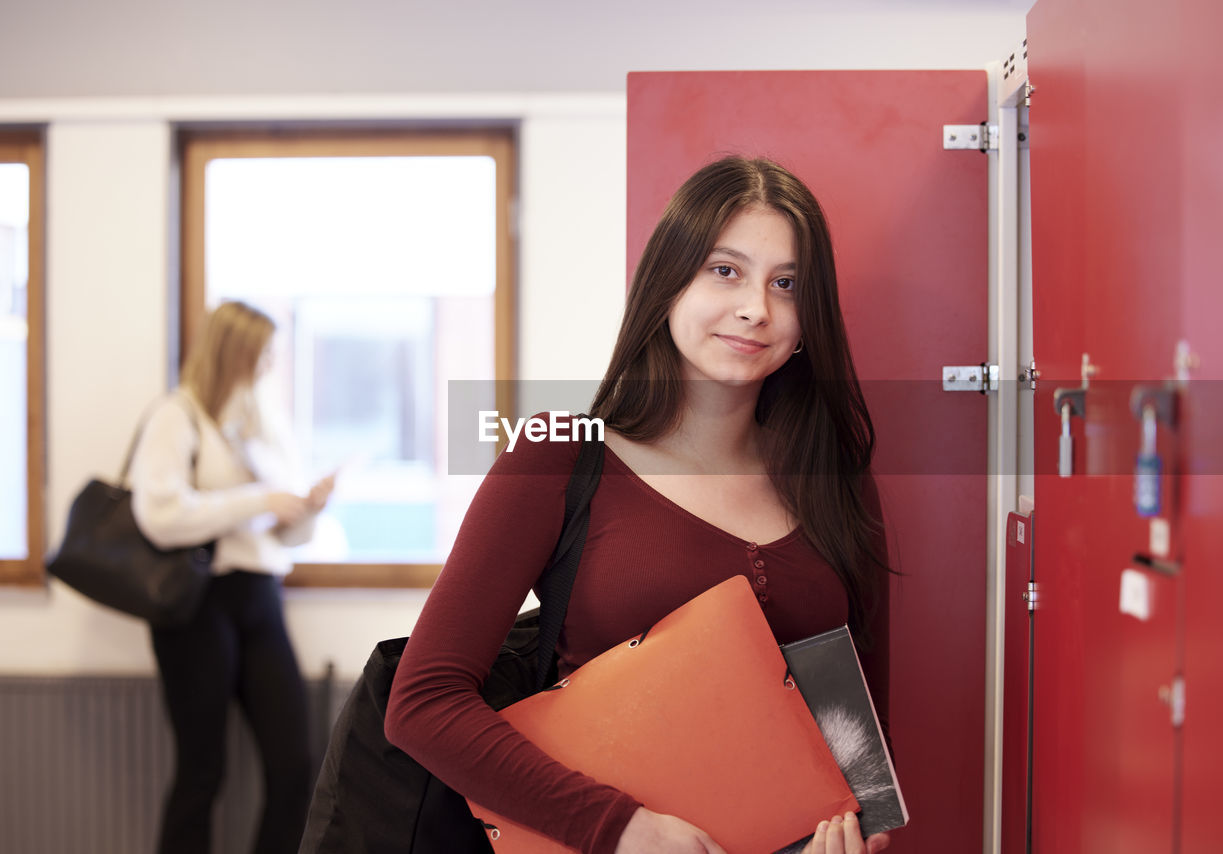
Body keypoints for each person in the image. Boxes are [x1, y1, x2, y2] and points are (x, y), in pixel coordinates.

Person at [385, 157, 893, 854]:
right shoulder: (558, 456)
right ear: (667, 281)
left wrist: (865, 829)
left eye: (787, 283)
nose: (757, 307)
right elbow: (423, 704)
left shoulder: (834, 478)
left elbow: (867, 725)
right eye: (725, 270)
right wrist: (620, 829)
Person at [130, 300, 335, 854]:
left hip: (259, 596)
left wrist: (305, 509)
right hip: (198, 605)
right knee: (203, 771)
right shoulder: (177, 416)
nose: (271, 363)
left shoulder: (262, 424)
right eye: (263, 352)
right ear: (235, 352)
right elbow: (161, 516)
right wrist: (257, 499)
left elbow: (282, 534)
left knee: (294, 767)